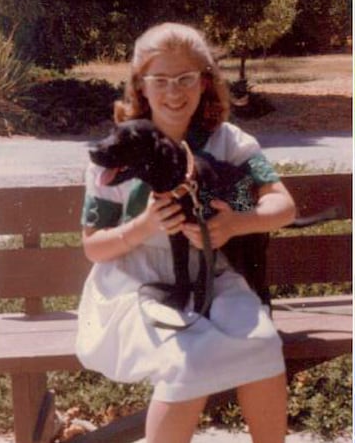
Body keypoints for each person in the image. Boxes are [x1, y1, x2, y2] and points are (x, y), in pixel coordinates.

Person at [75, 22, 296, 443]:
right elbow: (93, 245)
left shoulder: (229, 142)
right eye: (160, 80)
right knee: (188, 359)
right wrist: (143, 226)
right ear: (141, 85)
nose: (174, 93)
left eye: (186, 79)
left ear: (205, 81)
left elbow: (282, 204)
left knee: (265, 344)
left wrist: (236, 223)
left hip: (209, 277)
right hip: (133, 284)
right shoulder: (118, 152)